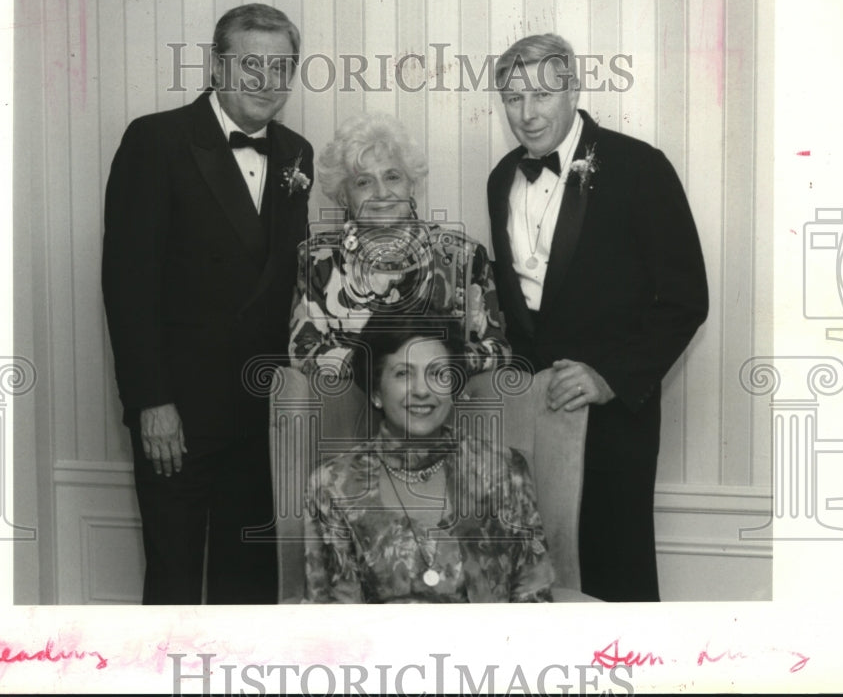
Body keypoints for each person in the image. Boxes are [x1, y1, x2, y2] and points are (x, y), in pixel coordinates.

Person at [102, 3, 313, 604]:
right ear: (216, 66)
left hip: (261, 412)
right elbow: (127, 285)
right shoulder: (156, 140)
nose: (265, 81)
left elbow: (286, 279)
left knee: (246, 584)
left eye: (280, 67)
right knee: (173, 578)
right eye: (250, 64)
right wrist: (151, 403)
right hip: (179, 415)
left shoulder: (297, 153)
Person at [486, 33, 709, 602]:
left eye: (542, 95)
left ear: (573, 88)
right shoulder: (500, 178)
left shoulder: (640, 167)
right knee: (534, 578)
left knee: (613, 582)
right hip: (530, 417)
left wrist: (608, 376)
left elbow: (685, 299)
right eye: (513, 99)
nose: (527, 113)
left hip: (613, 422)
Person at [302, 317, 557, 603]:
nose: (422, 390)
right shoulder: (332, 486)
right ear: (376, 392)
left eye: (438, 374)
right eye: (403, 374)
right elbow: (334, 622)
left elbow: (535, 602)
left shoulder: (505, 470)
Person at [288, 112, 509, 378]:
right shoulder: (318, 258)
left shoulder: (462, 255)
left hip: (442, 408)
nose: (381, 193)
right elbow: (302, 352)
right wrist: (383, 370)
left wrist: (434, 367)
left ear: (411, 184)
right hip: (350, 410)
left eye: (392, 177)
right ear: (343, 195)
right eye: (363, 182)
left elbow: (498, 351)